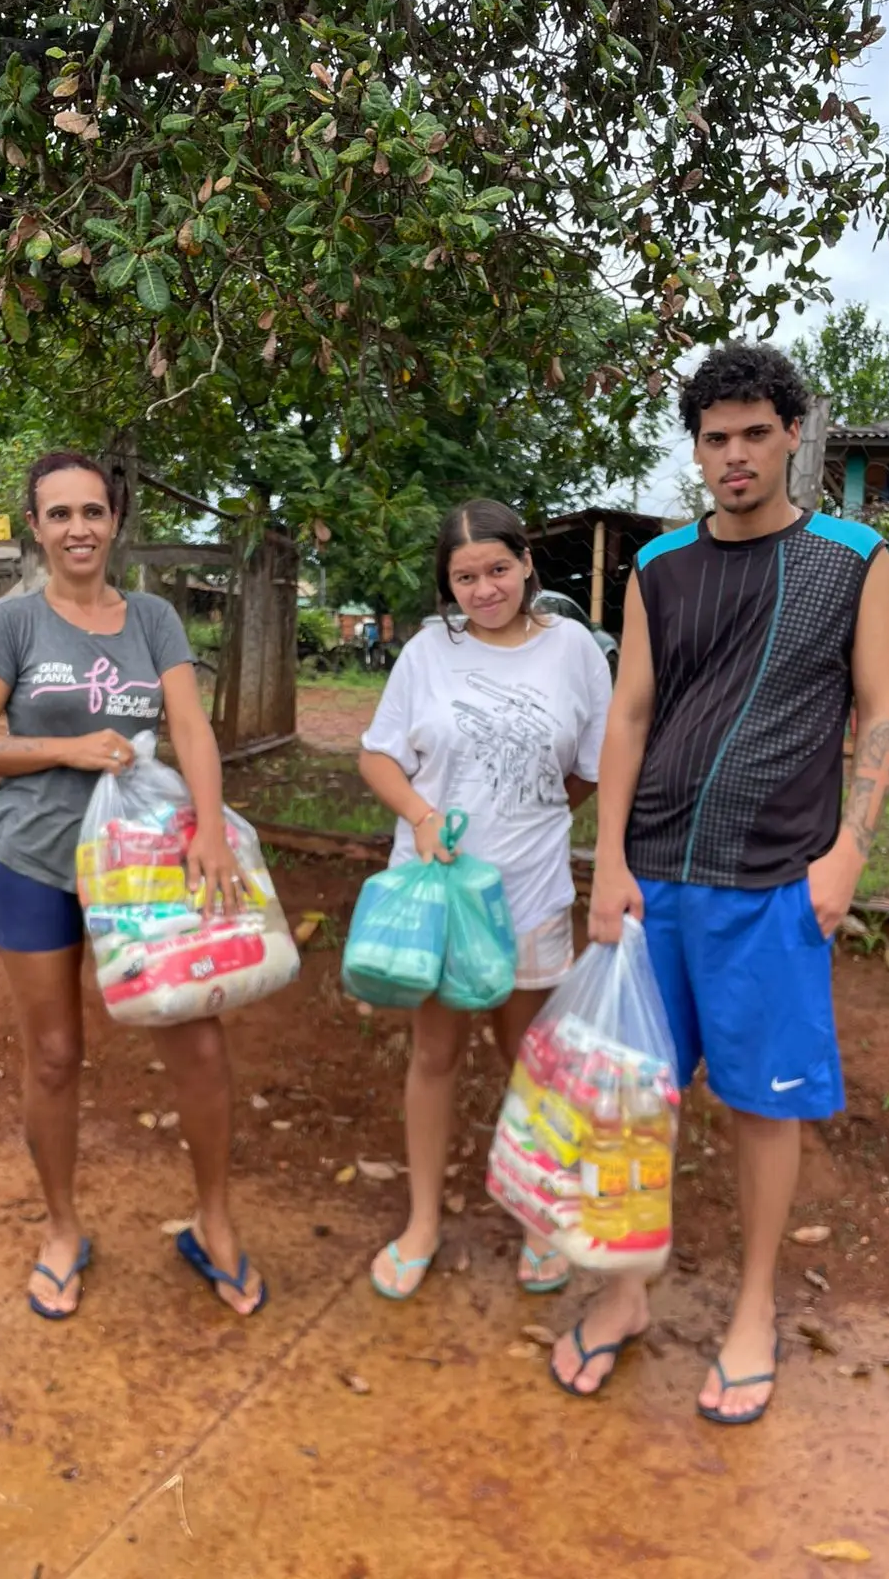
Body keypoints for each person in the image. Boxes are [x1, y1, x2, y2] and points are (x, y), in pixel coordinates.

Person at [550, 344, 889, 1423]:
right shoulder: (660, 563)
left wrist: (848, 850)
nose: (736, 455)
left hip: (773, 885)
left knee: (761, 1108)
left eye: (756, 432)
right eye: (716, 438)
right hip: (655, 879)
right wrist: (606, 862)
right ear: (695, 448)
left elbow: (880, 709)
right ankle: (622, 1295)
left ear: (794, 433)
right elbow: (630, 715)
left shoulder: (853, 555)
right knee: (629, 1100)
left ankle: (753, 1309)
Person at [0, 451, 266, 1321]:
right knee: (53, 1054)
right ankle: (60, 1228)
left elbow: (190, 727)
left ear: (116, 519)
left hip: (143, 862)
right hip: (34, 859)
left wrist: (210, 827)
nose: (78, 528)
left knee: (196, 1038)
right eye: (59, 514)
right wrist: (68, 748)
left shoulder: (152, 618)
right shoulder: (13, 625)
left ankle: (215, 1222)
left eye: (93, 511)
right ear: (37, 527)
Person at [358, 499, 613, 1298]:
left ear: (526, 562)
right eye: (465, 577)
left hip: (531, 894)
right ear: (448, 584)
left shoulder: (574, 650)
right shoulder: (429, 654)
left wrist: (533, 817)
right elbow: (378, 759)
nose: (484, 589)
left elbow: (590, 768)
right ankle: (423, 1221)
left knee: (529, 1063)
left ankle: (540, 1219)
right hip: (437, 899)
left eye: (498, 569)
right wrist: (424, 817)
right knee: (434, 1056)